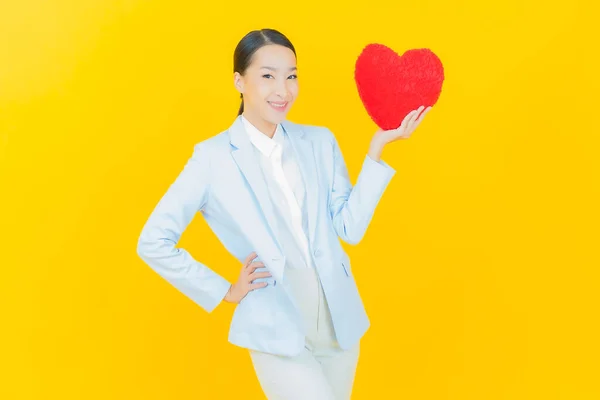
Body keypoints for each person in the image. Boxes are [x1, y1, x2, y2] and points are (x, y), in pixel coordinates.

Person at [136, 28, 430, 400]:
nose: (283, 89)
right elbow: (153, 241)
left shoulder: (319, 141)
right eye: (268, 76)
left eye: (291, 76)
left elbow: (349, 228)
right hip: (275, 321)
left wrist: (377, 149)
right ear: (239, 81)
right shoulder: (211, 158)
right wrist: (224, 290)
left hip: (338, 318)